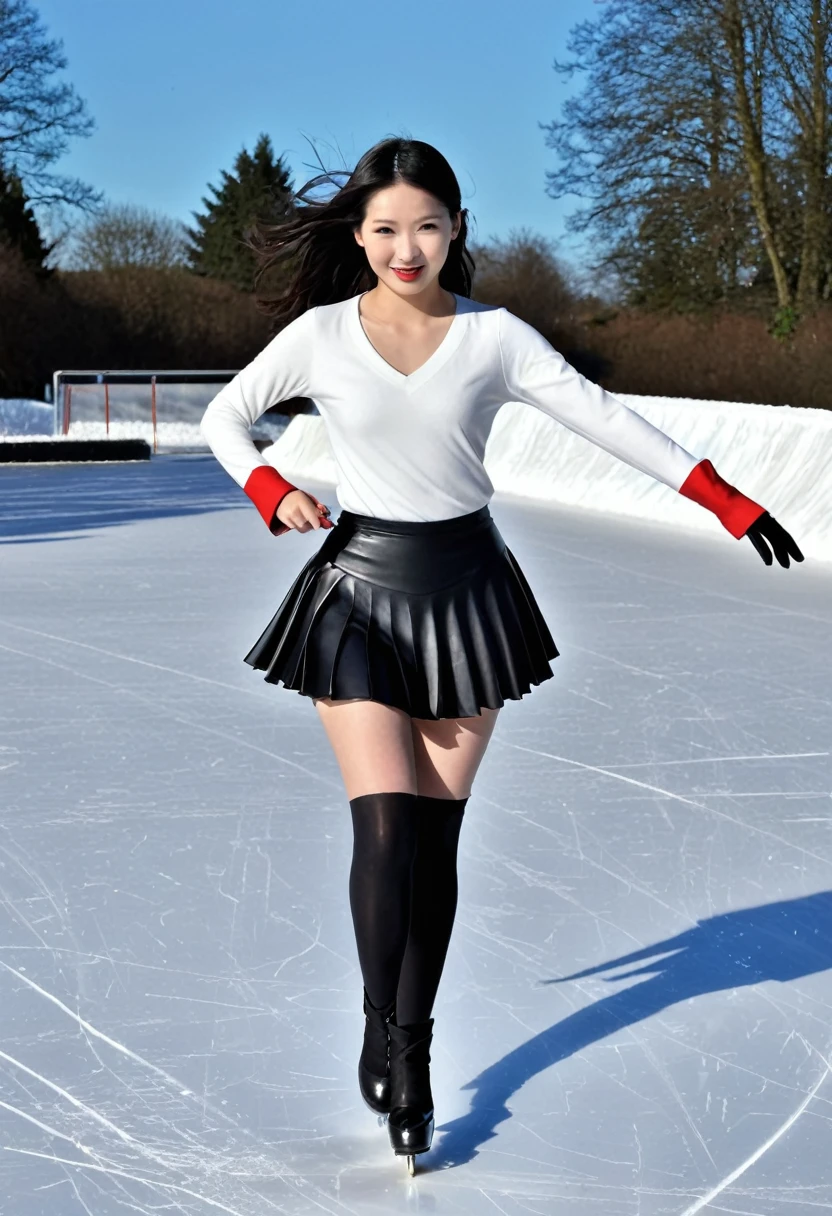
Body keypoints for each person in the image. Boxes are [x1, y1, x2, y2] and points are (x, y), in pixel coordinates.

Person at [199, 136, 804, 1174]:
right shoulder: (319, 335)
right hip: (353, 592)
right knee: (385, 829)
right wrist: (267, 486)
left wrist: (724, 496)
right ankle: (379, 1025)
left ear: (455, 228)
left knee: (435, 844)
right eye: (385, 228)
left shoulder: (494, 338)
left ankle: (414, 1043)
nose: (405, 246)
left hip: (468, 595)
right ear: (359, 234)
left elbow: (604, 420)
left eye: (425, 225)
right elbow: (225, 415)